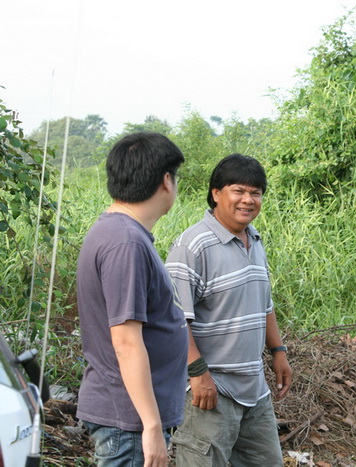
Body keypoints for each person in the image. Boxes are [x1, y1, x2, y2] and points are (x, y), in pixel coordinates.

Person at [165, 153, 292, 466]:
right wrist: (198, 373)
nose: (248, 200)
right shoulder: (193, 246)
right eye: (239, 191)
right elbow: (175, 320)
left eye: (255, 193)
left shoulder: (255, 241)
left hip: (254, 390)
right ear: (216, 193)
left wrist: (278, 351)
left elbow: (264, 304)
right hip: (210, 390)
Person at [76, 132, 188, 467]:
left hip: (128, 418)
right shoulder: (126, 242)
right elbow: (125, 341)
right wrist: (151, 426)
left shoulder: (117, 232)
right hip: (130, 422)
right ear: (166, 181)